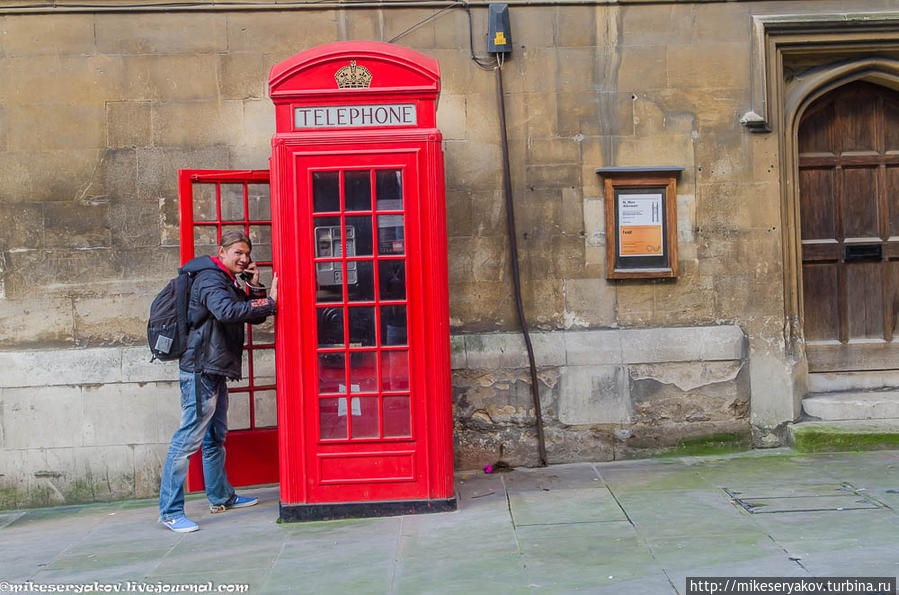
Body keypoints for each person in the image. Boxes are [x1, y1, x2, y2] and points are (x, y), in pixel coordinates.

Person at [159, 230, 278, 533]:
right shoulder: (211, 278)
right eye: (238, 252)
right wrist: (272, 301)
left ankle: (221, 496)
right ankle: (170, 511)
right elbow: (227, 312)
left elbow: (251, 316)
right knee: (187, 440)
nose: (244, 258)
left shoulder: (224, 278)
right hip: (200, 369)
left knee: (215, 437)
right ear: (221, 251)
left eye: (247, 254)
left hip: (213, 367)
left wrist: (254, 287)